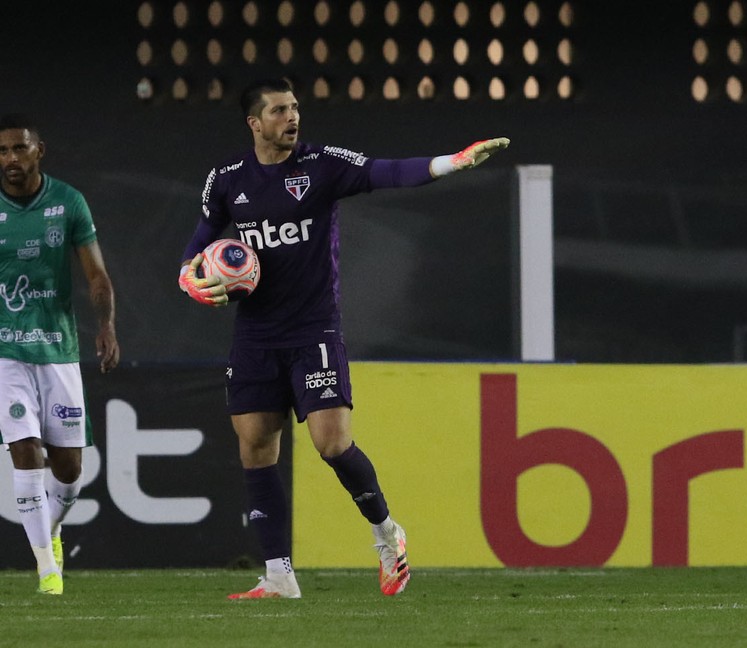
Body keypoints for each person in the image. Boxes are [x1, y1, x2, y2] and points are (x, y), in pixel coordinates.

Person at [178, 78, 509, 600]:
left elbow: (388, 172)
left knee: (331, 444)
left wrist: (453, 162)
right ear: (254, 123)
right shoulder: (226, 179)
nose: (292, 117)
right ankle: (279, 575)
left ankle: (387, 533)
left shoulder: (321, 165)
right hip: (256, 334)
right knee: (256, 447)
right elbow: (200, 242)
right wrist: (189, 278)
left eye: (294, 108)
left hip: (314, 328)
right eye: (279, 110)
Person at [0, 114, 120, 595]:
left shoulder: (68, 202)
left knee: (69, 470)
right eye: (2, 151)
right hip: (6, 350)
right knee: (25, 450)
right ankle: (48, 570)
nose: (11, 159)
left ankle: (51, 530)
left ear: (39, 151)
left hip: (58, 350)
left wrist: (106, 326)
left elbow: (96, 276)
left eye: (19, 148)